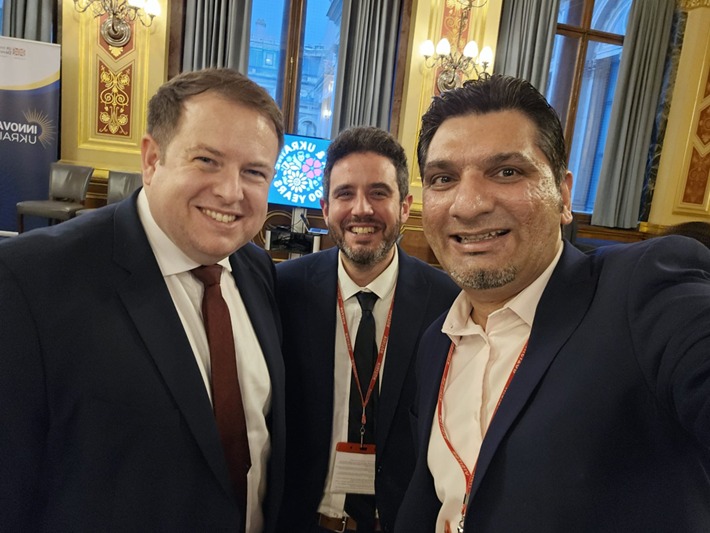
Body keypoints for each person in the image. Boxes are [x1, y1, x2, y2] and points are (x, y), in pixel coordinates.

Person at [394, 75, 710, 532]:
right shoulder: (435, 342)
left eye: (507, 172)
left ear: (562, 195)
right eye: (444, 179)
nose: (469, 204)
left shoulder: (641, 292)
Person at [0, 68, 286, 533]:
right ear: (152, 160)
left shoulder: (257, 272)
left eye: (254, 172)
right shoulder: (30, 281)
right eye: (207, 160)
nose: (231, 191)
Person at [275, 126, 459, 533]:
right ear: (325, 208)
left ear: (405, 206)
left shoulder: (449, 304)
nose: (361, 209)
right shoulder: (283, 291)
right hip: (304, 522)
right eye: (345, 194)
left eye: (379, 193)